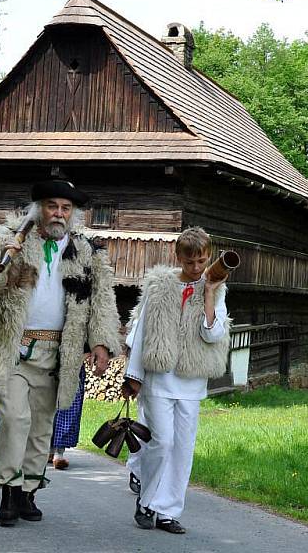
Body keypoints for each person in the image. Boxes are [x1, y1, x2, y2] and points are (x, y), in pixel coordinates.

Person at [0, 179, 121, 526]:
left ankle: (27, 492)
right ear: (39, 208)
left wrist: (100, 343)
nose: (59, 214)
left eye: (65, 208)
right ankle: (7, 489)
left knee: (40, 427)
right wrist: (4, 261)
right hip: (13, 348)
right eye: (52, 206)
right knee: (15, 419)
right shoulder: (8, 236)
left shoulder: (86, 251)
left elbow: (102, 302)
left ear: (72, 213)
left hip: (57, 352)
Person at [122, 226, 230, 535]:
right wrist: (133, 376)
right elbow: (141, 333)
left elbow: (213, 334)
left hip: (190, 382)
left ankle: (167, 510)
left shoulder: (216, 289)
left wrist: (208, 292)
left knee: (182, 448)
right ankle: (146, 500)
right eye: (190, 262)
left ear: (208, 258)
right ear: (178, 257)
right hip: (158, 377)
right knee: (162, 442)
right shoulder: (159, 286)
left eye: (202, 261)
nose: (196, 268)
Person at [48, 365, 86, 470]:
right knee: (47, 405)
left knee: (68, 407)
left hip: (73, 363)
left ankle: (58, 453)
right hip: (47, 360)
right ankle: (49, 450)